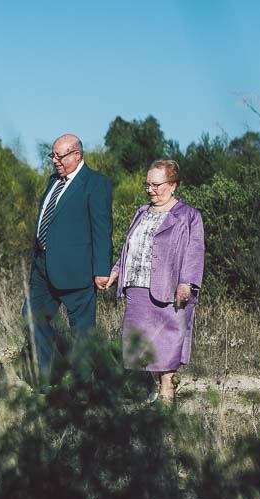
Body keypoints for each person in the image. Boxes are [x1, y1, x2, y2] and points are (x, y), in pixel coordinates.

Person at [105, 159, 204, 403]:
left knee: (167, 339)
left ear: (173, 185)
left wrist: (187, 283)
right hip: (137, 285)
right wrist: (115, 271)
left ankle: (167, 391)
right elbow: (130, 247)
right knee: (139, 341)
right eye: (147, 184)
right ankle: (151, 389)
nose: (150, 190)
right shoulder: (141, 212)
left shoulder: (188, 215)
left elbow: (195, 251)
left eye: (156, 184)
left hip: (170, 287)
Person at [24, 134, 114, 381]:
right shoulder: (53, 181)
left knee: (82, 332)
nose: (55, 160)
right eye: (52, 155)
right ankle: (46, 376)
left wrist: (102, 268)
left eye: (60, 156)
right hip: (43, 269)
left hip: (78, 271)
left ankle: (82, 386)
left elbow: (102, 228)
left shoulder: (95, 183)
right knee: (32, 317)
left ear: (77, 155)